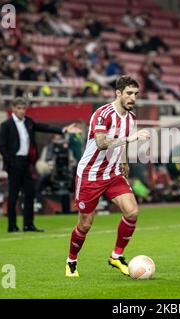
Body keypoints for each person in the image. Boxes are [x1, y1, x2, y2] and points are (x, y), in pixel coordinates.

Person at [65, 75, 150, 277]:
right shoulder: (102, 114)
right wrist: (130, 138)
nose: (133, 98)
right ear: (118, 93)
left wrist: (124, 161)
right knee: (85, 225)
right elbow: (102, 143)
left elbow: (125, 144)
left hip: (112, 174)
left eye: (136, 94)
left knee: (132, 212)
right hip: (90, 175)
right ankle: (71, 261)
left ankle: (116, 256)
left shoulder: (131, 118)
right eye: (129, 93)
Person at [0, 98, 81, 233]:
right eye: (18, 108)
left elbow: (45, 127)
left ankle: (28, 225)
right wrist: (10, 161)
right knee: (13, 195)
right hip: (14, 163)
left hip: (26, 163)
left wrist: (64, 130)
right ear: (13, 108)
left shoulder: (28, 122)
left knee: (30, 193)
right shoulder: (6, 125)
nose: (21, 111)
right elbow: (1, 146)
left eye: (23, 108)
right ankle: (12, 226)